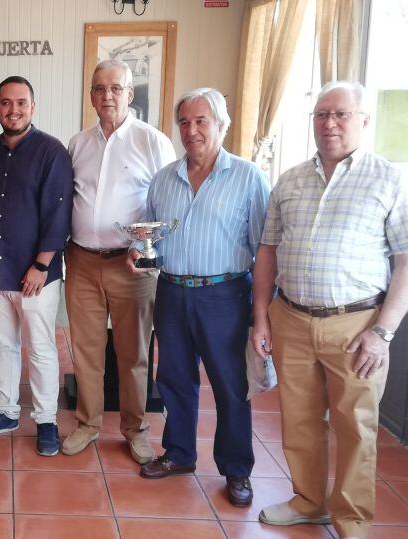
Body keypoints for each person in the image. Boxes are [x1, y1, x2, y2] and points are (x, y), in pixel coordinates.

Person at [255, 81, 408, 538]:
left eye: (340, 114)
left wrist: (383, 332)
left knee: (355, 428)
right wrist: (262, 316)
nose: (329, 123)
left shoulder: (390, 179)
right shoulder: (290, 179)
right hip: (291, 318)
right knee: (299, 420)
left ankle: (352, 521)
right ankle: (308, 501)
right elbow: (268, 251)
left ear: (364, 121)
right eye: (321, 114)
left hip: (357, 326)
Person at [132, 88, 270, 509]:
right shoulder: (164, 179)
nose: (191, 130)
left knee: (231, 385)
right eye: (184, 122)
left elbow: (265, 248)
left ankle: (236, 468)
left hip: (225, 295)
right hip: (172, 292)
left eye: (201, 121)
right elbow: (150, 234)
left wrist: (261, 313)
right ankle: (179, 453)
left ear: (221, 125)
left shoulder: (248, 178)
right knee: (174, 379)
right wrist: (138, 252)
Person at [63, 59, 175, 461]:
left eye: (115, 88)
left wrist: (147, 250)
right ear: (91, 96)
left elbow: (167, 205)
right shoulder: (78, 143)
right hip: (81, 262)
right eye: (99, 88)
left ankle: (135, 428)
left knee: (134, 353)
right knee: (86, 351)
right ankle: (88, 424)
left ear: (129, 94)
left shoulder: (153, 142)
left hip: (132, 265)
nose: (107, 95)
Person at [0, 76, 73, 457]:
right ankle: (6, 411)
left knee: (41, 348)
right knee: (2, 345)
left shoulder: (51, 152)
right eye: (6, 103)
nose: (13, 110)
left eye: (21, 103)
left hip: (35, 275)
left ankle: (46, 420)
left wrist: (42, 265)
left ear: (33, 106)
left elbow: (59, 213)